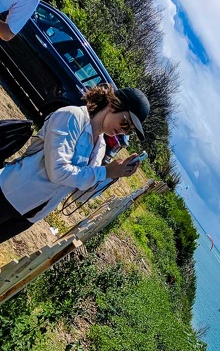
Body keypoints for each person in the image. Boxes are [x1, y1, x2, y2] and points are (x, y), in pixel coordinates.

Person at [0, 84, 150, 243]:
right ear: (113, 104)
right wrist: (105, 172)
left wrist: (113, 175)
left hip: (30, 214)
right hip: (9, 194)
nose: (123, 131)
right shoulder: (72, 117)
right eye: (125, 123)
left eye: (129, 131)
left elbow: (80, 194)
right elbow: (58, 171)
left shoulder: (100, 147)